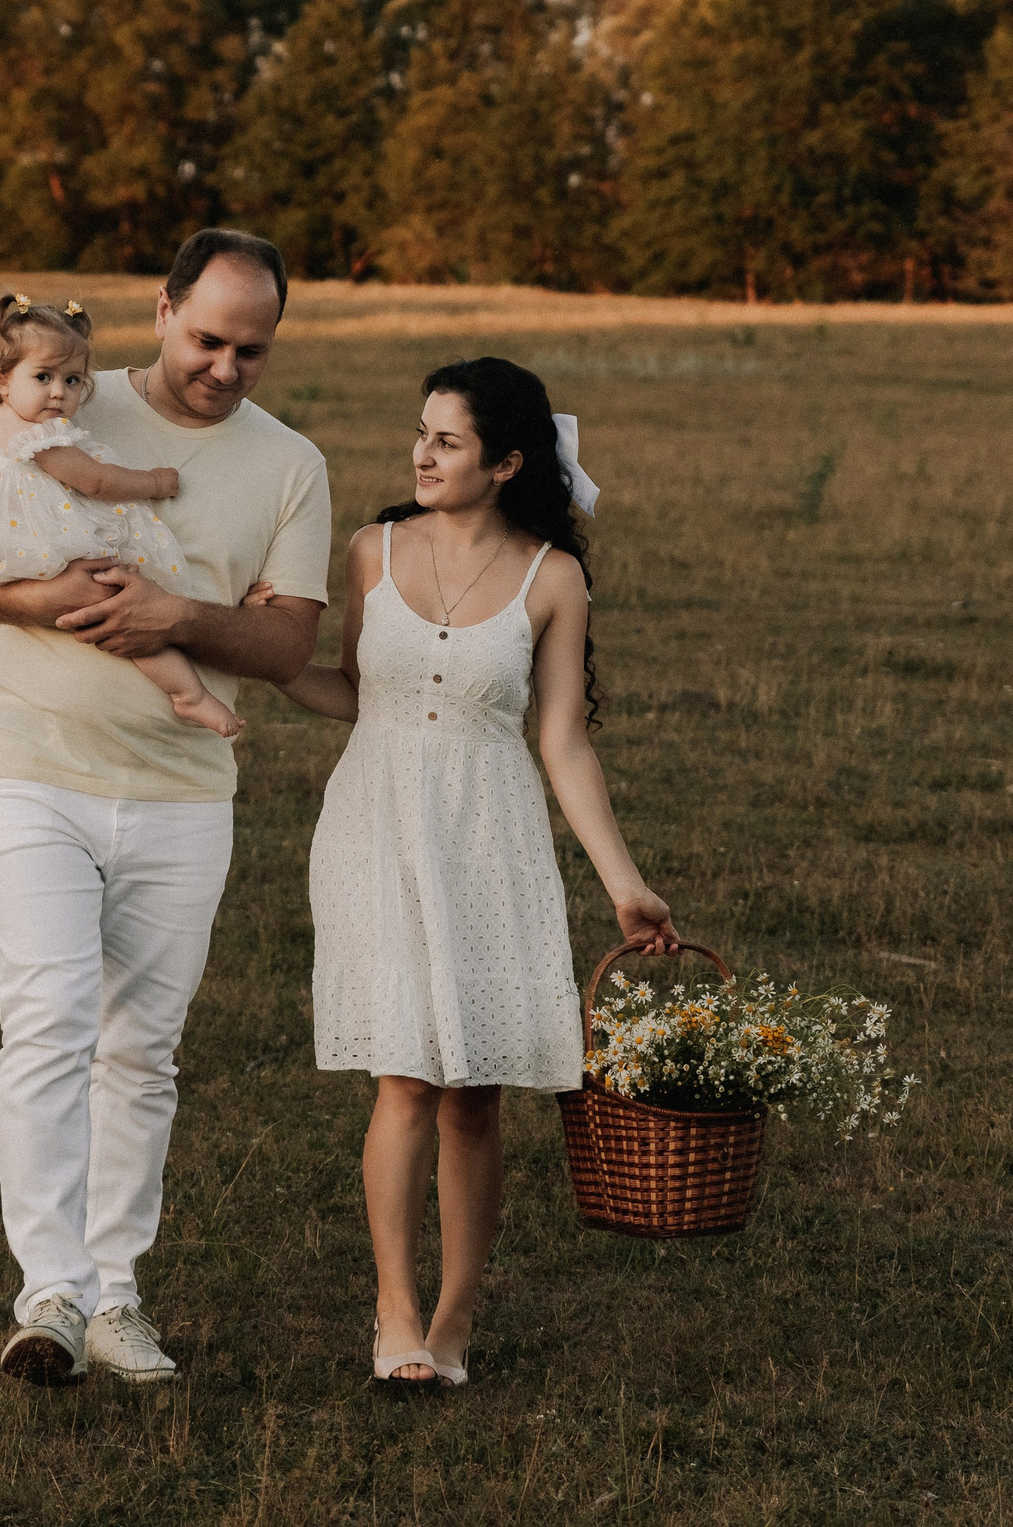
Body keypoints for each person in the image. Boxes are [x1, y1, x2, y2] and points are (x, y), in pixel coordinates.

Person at [0, 231, 330, 1387]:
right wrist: (47, 601)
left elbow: (290, 640)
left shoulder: (291, 464)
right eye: (207, 339)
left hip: (184, 794)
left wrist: (174, 617)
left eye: (253, 349)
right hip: (33, 764)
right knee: (46, 1018)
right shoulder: (57, 392)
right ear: (159, 312)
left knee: (142, 1052)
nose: (227, 367)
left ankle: (117, 1299)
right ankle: (48, 1295)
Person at [257, 356, 677, 1388]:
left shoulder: (554, 579)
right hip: (376, 823)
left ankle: (454, 1316)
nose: (420, 454)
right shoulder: (371, 549)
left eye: (445, 441)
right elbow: (355, 691)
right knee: (405, 1073)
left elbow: (564, 743)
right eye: (420, 434)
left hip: (490, 832)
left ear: (505, 463)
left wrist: (625, 883)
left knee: (474, 1092)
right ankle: (393, 1313)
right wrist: (251, 657)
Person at [0, 292, 242, 738]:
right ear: (3, 380)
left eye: (72, 381)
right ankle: (188, 694)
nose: (58, 392)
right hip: (34, 532)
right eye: (44, 376)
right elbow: (97, 482)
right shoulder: (43, 437)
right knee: (110, 600)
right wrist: (154, 482)